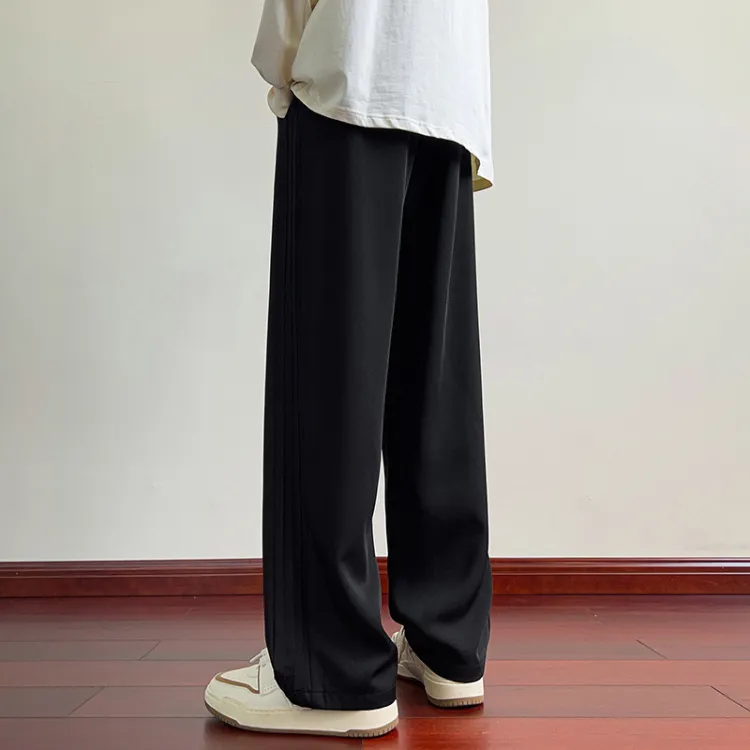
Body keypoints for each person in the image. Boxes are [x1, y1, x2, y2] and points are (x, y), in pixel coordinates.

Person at [204, 0, 494, 738]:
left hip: (355, 66)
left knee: (328, 378)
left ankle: (328, 674)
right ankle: (448, 643)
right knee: (434, 380)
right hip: (449, 87)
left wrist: (284, 64)